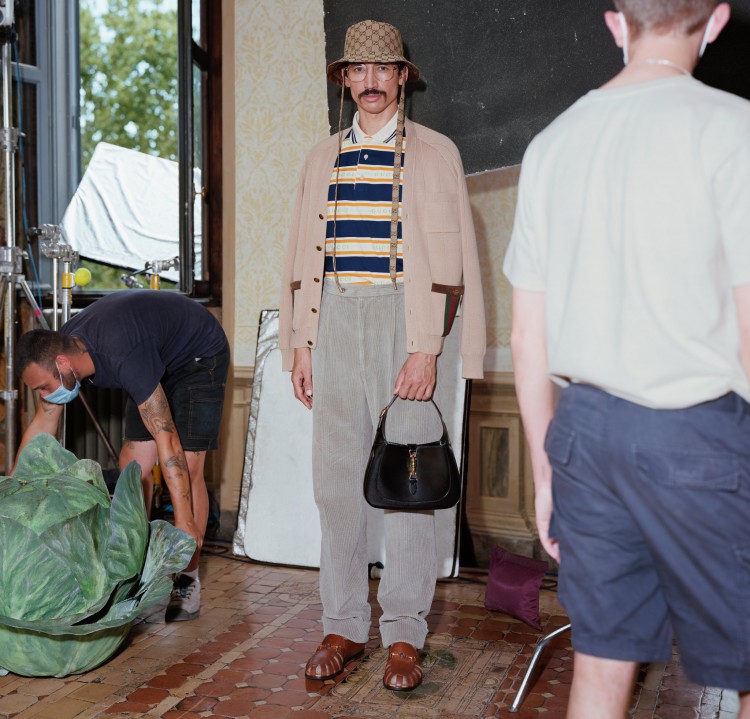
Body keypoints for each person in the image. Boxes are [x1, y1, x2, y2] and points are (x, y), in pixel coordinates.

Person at [504, 1, 750, 717]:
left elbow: (526, 339)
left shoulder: (552, 142)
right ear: (716, 23)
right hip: (698, 434)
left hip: (585, 434)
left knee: (602, 664)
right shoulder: (733, 127)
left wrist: (545, 473)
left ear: (617, 26)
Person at [279, 19, 485, 691]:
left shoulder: (437, 153)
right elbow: (299, 257)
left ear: (401, 77)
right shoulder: (322, 158)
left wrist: (427, 349)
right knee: (336, 484)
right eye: (358, 70)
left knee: (410, 484)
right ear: (346, 79)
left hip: (407, 320)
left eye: (382, 69)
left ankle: (403, 633)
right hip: (335, 319)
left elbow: (454, 262)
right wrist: (301, 345)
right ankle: (342, 624)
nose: (370, 82)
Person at [15, 290, 230, 623]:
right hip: (152, 355)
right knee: (133, 467)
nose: (45, 395)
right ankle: (133, 569)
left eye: (44, 387)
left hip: (199, 355)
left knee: (187, 466)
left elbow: (167, 439)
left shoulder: (122, 354)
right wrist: (13, 493)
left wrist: (184, 521)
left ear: (62, 364)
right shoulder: (63, 350)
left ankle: (186, 578)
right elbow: (43, 425)